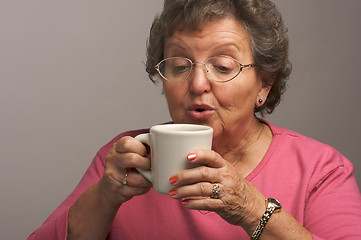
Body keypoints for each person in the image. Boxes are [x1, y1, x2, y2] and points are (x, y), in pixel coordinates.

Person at [27, 0, 361, 239]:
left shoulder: (321, 169)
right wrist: (105, 195)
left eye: (223, 66)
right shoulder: (122, 162)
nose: (198, 84)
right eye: (179, 65)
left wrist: (251, 208)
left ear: (264, 83)